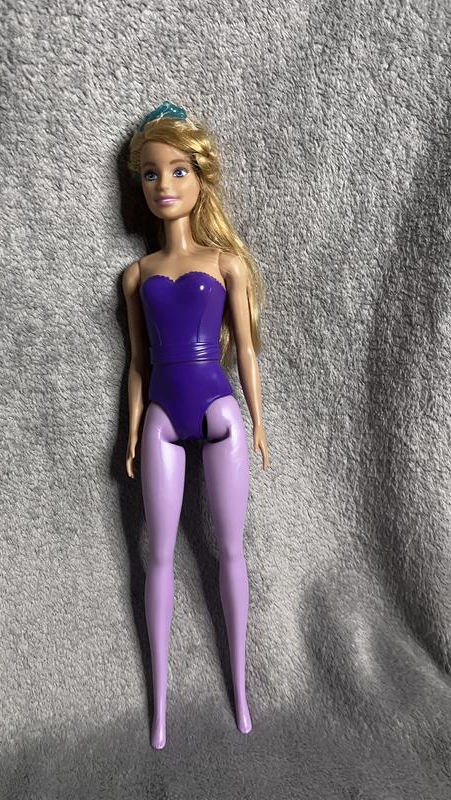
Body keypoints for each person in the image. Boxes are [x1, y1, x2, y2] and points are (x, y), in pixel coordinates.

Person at [122, 100, 269, 749]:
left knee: (229, 549)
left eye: (178, 171)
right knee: (156, 555)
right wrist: (131, 431)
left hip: (218, 408)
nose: (164, 185)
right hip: (160, 414)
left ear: (201, 178)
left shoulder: (225, 263)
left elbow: (247, 351)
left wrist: (258, 422)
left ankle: (240, 691)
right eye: (151, 174)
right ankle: (158, 709)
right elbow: (138, 362)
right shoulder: (137, 275)